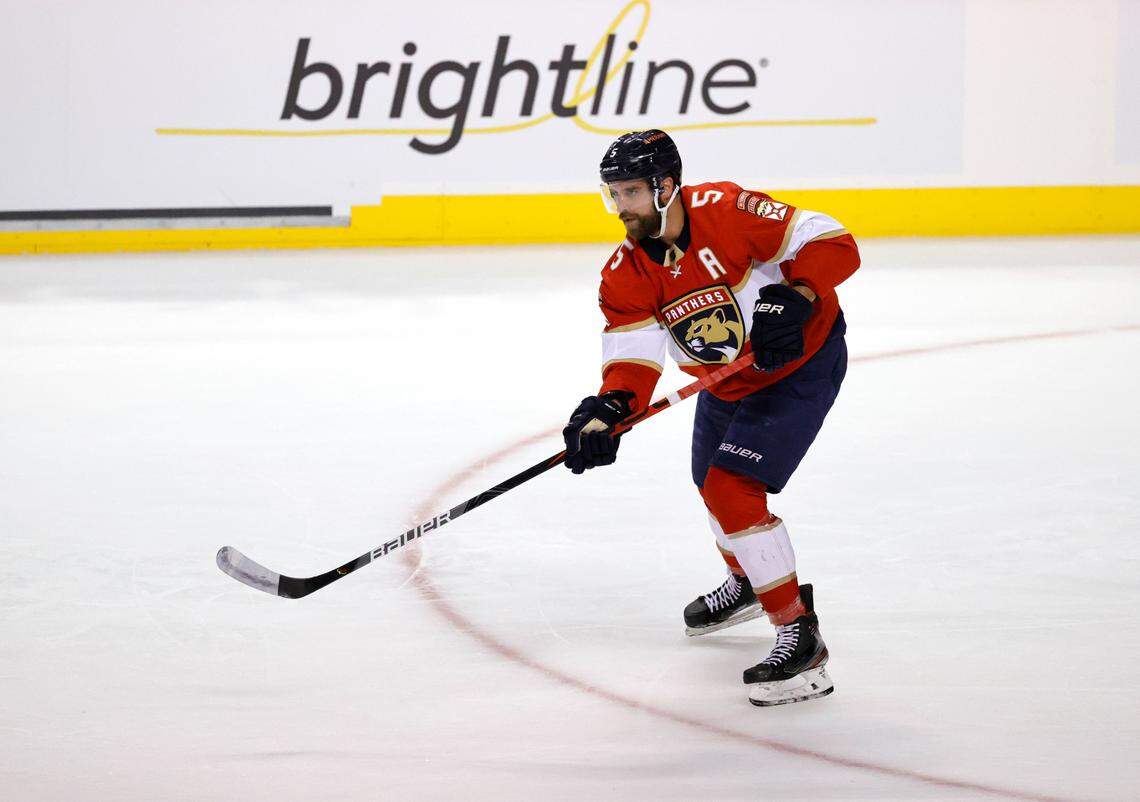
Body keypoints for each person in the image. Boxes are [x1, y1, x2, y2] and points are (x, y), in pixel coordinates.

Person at [563, 129, 860, 706]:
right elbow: (633, 359)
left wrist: (797, 292)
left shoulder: (727, 209)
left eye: (629, 192)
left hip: (802, 364)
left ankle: (800, 636)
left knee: (732, 489)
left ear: (666, 186)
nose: (620, 207)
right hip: (726, 382)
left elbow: (836, 241)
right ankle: (751, 580)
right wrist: (610, 410)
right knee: (709, 484)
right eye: (613, 194)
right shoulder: (624, 273)